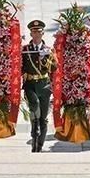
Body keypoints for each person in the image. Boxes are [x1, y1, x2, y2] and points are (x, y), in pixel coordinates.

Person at [22, 20, 55, 152]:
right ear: (31, 34)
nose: (36, 34)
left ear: (43, 33)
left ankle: (39, 145)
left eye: (39, 32)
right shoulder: (25, 50)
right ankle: (34, 131)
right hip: (30, 84)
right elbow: (20, 67)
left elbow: (55, 67)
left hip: (44, 85)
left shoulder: (48, 50)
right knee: (34, 105)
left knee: (43, 118)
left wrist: (45, 59)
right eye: (34, 32)